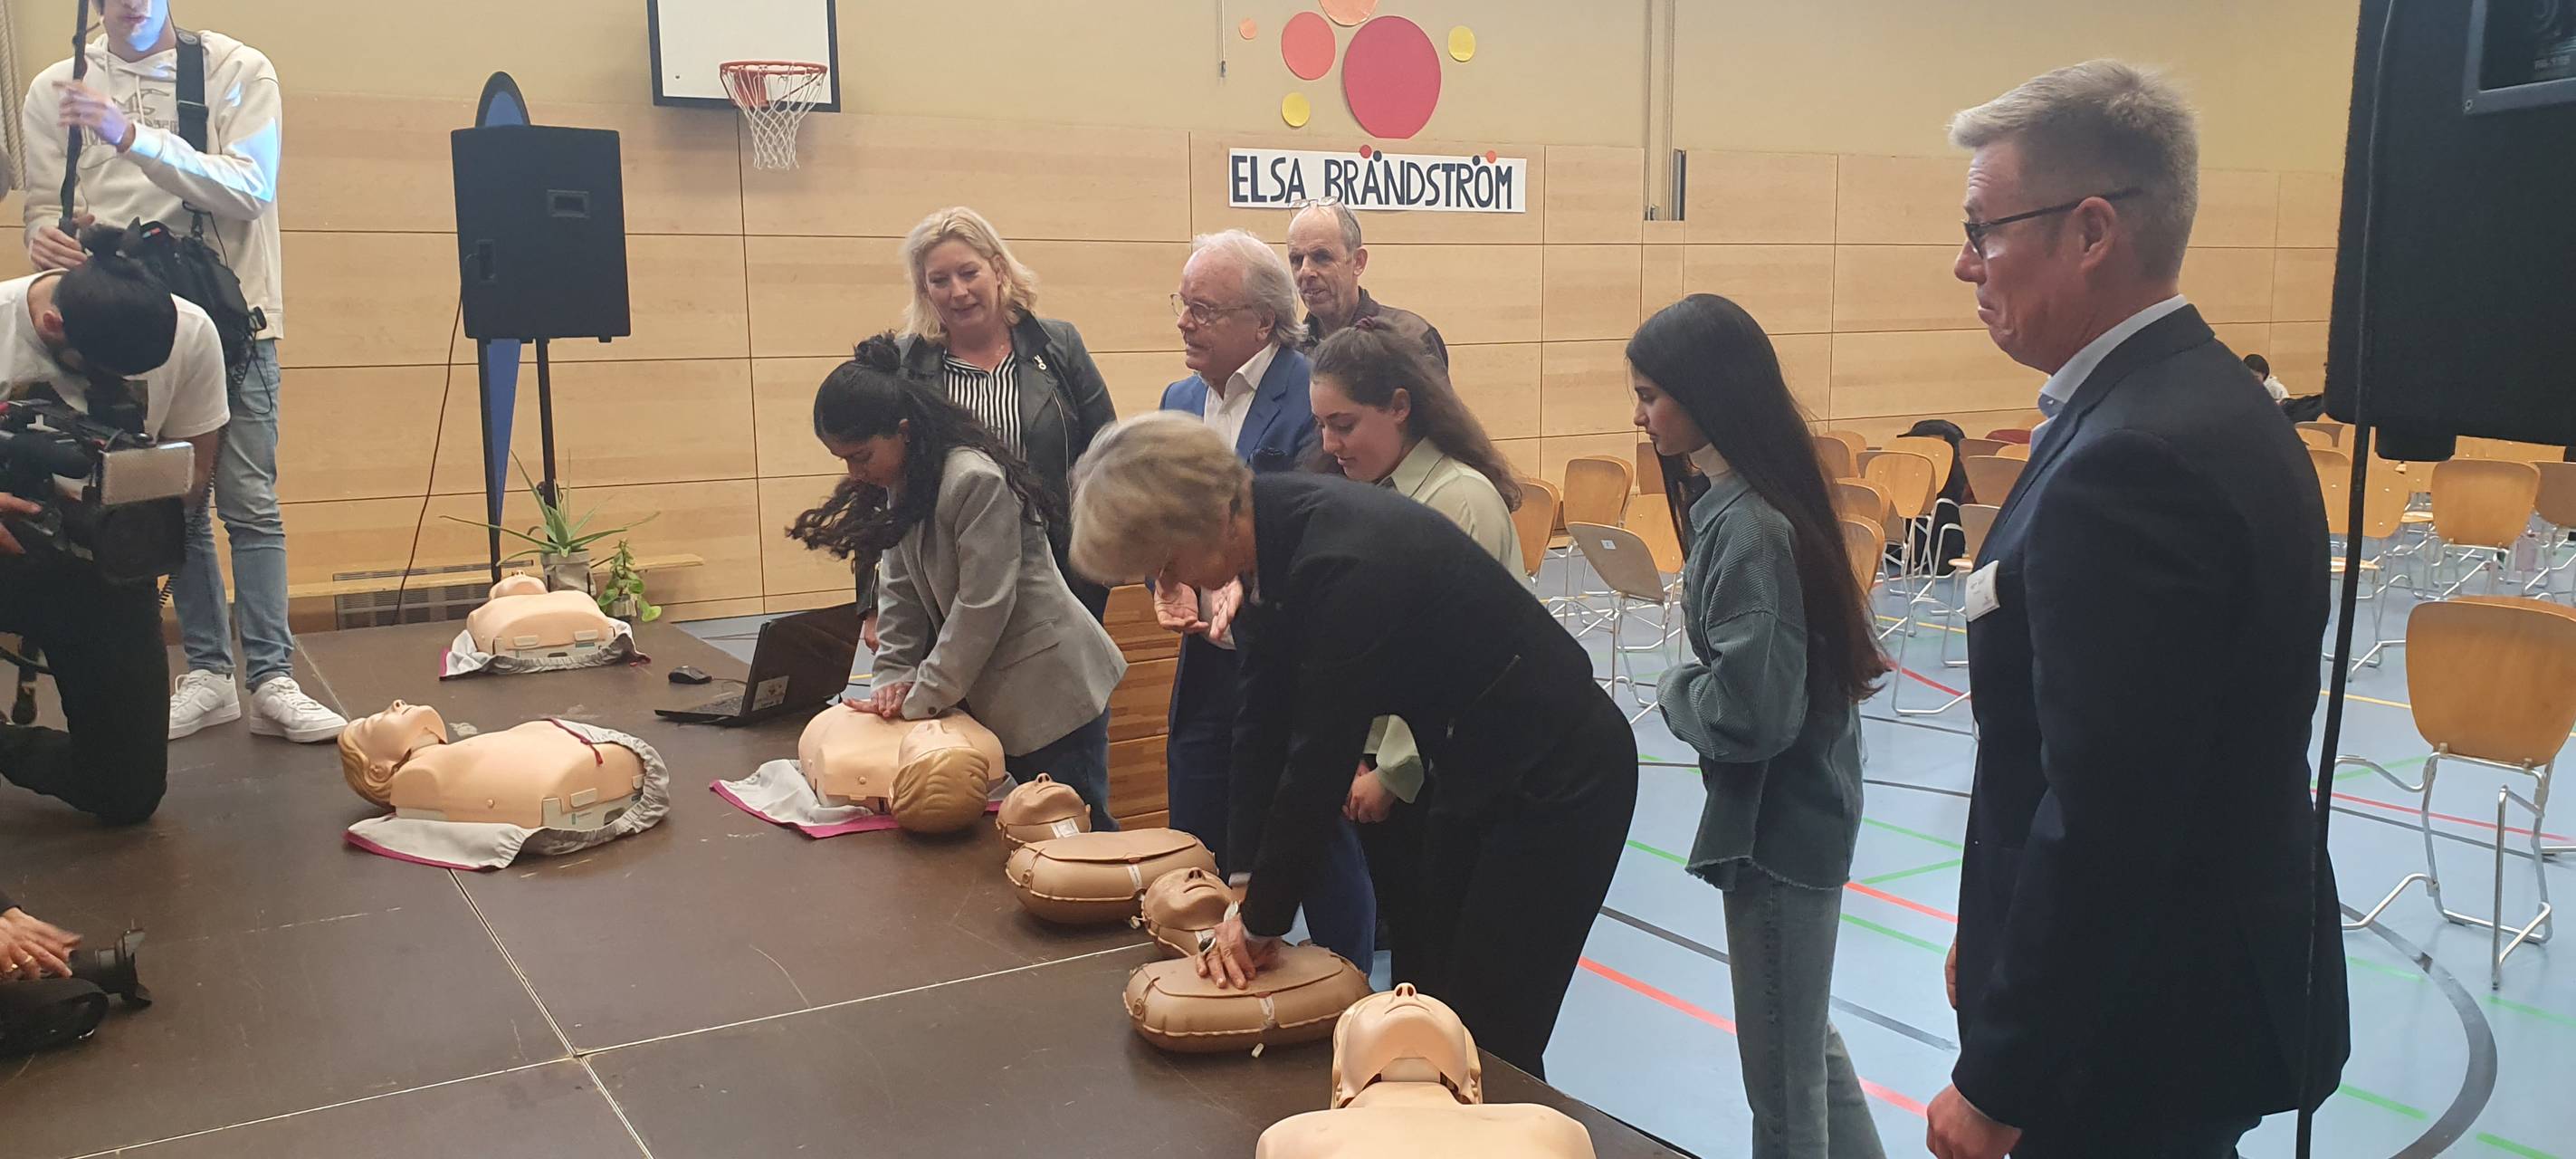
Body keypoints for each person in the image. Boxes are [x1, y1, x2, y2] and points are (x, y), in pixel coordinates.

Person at [1935, 61, 2345, 1159]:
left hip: (2127, 1036)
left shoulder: (2133, 458)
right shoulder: (2200, 401)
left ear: (2090, 231)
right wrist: (1995, 929)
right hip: (2175, 996)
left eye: (1983, 228)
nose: (1963, 262)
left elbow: (2109, 812)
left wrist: (1998, 1069)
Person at [1067, 413, 1636, 1078]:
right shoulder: (1272, 539)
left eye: (1164, 564)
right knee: (1425, 1015)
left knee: (1491, 1036)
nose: (1168, 583)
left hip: (1560, 778)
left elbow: (1318, 757)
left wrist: (1259, 925)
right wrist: (1245, 884)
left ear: (1196, 518)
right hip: (1471, 766)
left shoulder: (1341, 558)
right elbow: (1260, 727)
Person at [19, 0, 341, 745]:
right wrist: (48, 242)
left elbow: (250, 189)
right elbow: (44, 209)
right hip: (124, 331)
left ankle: (273, 677)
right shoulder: (55, 88)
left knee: (249, 501)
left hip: (233, 322)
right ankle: (208, 674)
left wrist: (128, 135)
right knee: (176, 504)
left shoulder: (235, 68)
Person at [1629, 294, 1890, 1159]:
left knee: (1781, 1084)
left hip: (1784, 828)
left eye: (1654, 394)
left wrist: (1675, 690)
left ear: (1708, 394)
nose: (1643, 415)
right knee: (1802, 1044)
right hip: (1795, 817)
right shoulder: (1742, 505)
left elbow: (1751, 715)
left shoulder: (1751, 528)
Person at [788, 334, 1125, 830]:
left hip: (1052, 693)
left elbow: (981, 608)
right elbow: (898, 592)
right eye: (843, 459)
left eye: (860, 456)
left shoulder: (973, 479)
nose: (854, 473)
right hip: (994, 692)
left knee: (1071, 834)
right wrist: (891, 683)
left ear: (902, 431)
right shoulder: (901, 481)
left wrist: (920, 696)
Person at [1157, 229, 1375, 966]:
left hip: (1288, 650)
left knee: (1313, 831)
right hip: (1207, 660)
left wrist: (1242, 587)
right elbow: (1171, 522)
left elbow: (1328, 520)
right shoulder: (1178, 400)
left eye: (1204, 309)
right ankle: (1210, 959)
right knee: (1196, 812)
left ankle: (1345, 984)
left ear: (1261, 321)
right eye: (1182, 305)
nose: (1185, 322)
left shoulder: (1312, 392)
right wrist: (1173, 577)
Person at [1304, 322, 1523, 984]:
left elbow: (1465, 666)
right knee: (1411, 969)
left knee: (1447, 974)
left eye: (1344, 425)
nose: (1328, 444)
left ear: (1400, 407)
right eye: (1321, 426)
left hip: (1446, 781)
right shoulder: (1366, 495)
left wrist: (1395, 773)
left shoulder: (1460, 501)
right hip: (1380, 776)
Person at [0, 227, 225, 825]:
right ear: (53, 327)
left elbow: (197, 471)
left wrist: (149, 515)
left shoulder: (192, 329)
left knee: (127, 793)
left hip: (101, 565)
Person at [879, 206, 1118, 635]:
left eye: (969, 273)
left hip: (1059, 577)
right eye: (939, 280)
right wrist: (872, 602)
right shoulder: (905, 366)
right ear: (924, 289)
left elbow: (1107, 456)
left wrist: (1099, 568)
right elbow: (875, 482)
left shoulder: (1061, 346)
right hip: (950, 585)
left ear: (998, 269)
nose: (958, 291)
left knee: (1072, 699)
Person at [1289, 200, 1447, 368]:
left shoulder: (1411, 339)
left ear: (1358, 262)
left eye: (1322, 257)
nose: (1305, 272)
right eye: (1297, 260)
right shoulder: (1290, 347)